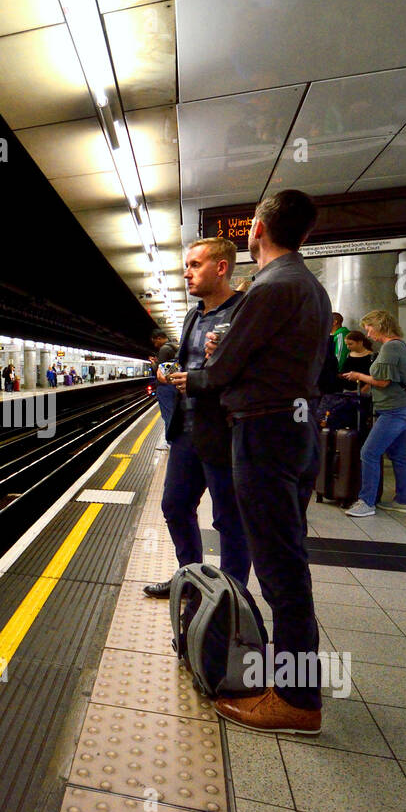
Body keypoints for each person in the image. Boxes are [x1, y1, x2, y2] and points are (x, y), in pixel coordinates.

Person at [176, 189, 330, 735]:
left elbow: (219, 374)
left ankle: (296, 699)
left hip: (264, 433)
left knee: (281, 570)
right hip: (295, 428)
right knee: (287, 561)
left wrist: (199, 369)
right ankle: (295, 686)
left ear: (257, 230)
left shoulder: (270, 286)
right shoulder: (309, 286)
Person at [146, 237, 251, 602]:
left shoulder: (243, 311)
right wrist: (169, 373)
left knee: (228, 519)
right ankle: (188, 579)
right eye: (186, 266)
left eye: (194, 265)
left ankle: (230, 597)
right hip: (187, 430)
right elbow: (190, 365)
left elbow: (251, 369)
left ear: (221, 267)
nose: (186, 274)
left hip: (223, 430)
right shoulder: (194, 315)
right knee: (175, 505)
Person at [342, 310, 406, 517]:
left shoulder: (391, 347)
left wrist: (359, 376)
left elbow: (384, 382)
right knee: (398, 455)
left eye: (369, 329)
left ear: (379, 325)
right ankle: (404, 500)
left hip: (394, 410)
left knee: (369, 452)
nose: (368, 334)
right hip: (404, 407)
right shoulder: (400, 345)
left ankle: (366, 502)